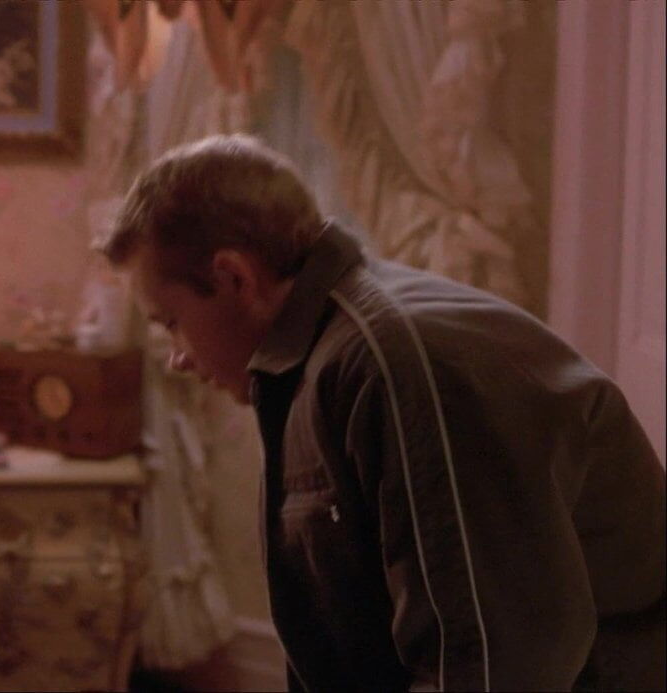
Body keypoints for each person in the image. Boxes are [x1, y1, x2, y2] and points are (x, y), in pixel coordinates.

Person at [100, 134, 666, 691]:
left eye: (171, 322)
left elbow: (486, 667)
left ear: (233, 278)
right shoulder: (320, 362)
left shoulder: (394, 366)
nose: (176, 358)